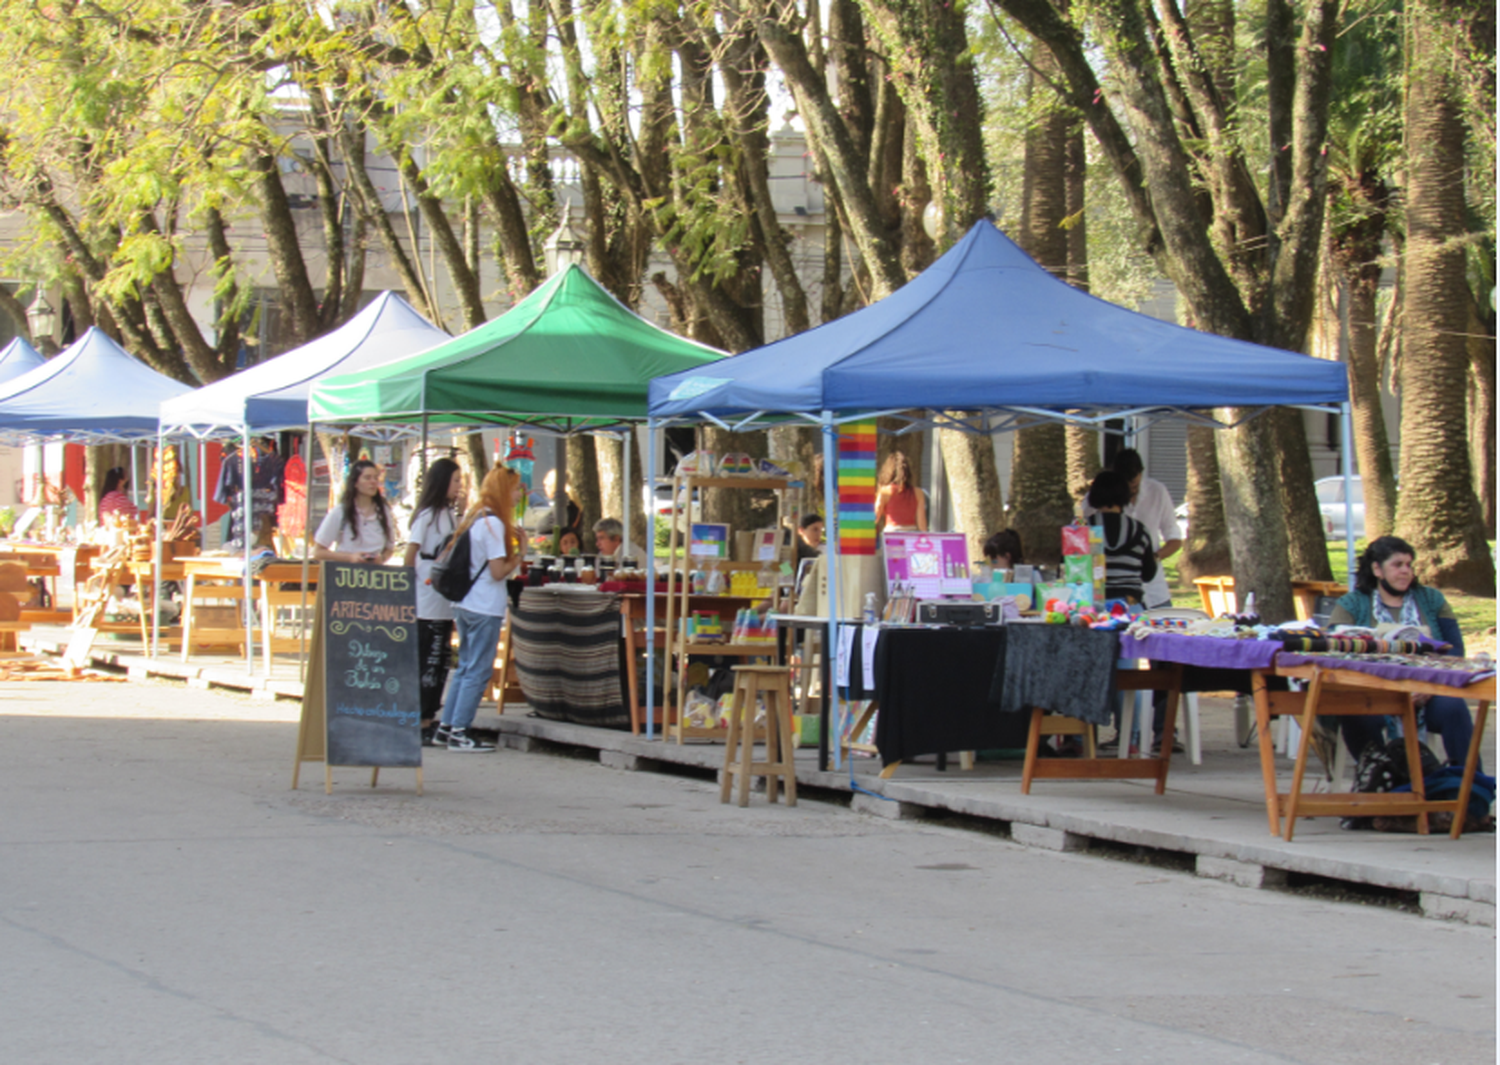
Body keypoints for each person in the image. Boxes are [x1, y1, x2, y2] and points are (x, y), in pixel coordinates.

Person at [1328, 536, 1479, 771]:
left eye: (1409, 565)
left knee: (1454, 709)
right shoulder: (1352, 603)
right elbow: (1333, 649)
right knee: (1356, 713)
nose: (1406, 571)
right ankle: (1386, 780)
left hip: (1428, 688)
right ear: (1377, 569)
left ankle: (1468, 792)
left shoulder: (1431, 599)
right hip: (1373, 689)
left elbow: (1455, 650)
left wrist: (1427, 686)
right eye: (1397, 565)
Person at [434, 465, 525, 752]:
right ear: (503, 491)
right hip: (484, 604)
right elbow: (499, 571)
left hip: (464, 602)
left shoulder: (477, 517)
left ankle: (447, 726)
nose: (518, 494)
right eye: (515, 488)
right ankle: (461, 730)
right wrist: (521, 551)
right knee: (477, 670)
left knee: (465, 668)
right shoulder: (494, 524)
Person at [401, 459, 466, 746]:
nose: (459, 487)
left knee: (440, 659)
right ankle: (419, 717)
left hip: (442, 593)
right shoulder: (427, 515)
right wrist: (410, 582)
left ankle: (429, 714)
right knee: (428, 654)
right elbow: (411, 552)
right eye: (455, 481)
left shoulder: (449, 516)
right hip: (427, 592)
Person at [1110, 449, 1183, 610]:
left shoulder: (1157, 491)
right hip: (1116, 593)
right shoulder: (1102, 496)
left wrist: (1154, 558)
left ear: (1141, 473)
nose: (1131, 489)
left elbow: (1175, 538)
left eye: (1135, 483)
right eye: (1126, 485)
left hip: (1154, 590)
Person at [1086, 470, 1156, 604]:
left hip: (1091, 605)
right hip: (1131, 603)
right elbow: (1148, 575)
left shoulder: (1081, 530)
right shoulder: (1140, 531)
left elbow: (1067, 570)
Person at [313, 460, 398, 564]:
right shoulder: (341, 511)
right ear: (356, 483)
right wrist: (350, 558)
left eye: (376, 478)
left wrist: (381, 559)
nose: (373, 482)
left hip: (374, 575)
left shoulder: (383, 512)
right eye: (367, 478)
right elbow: (318, 552)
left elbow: (389, 548)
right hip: (346, 575)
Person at [873, 451, 927, 534]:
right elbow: (922, 524)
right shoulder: (918, 493)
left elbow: (875, 516)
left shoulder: (885, 492)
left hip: (891, 533)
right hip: (911, 533)